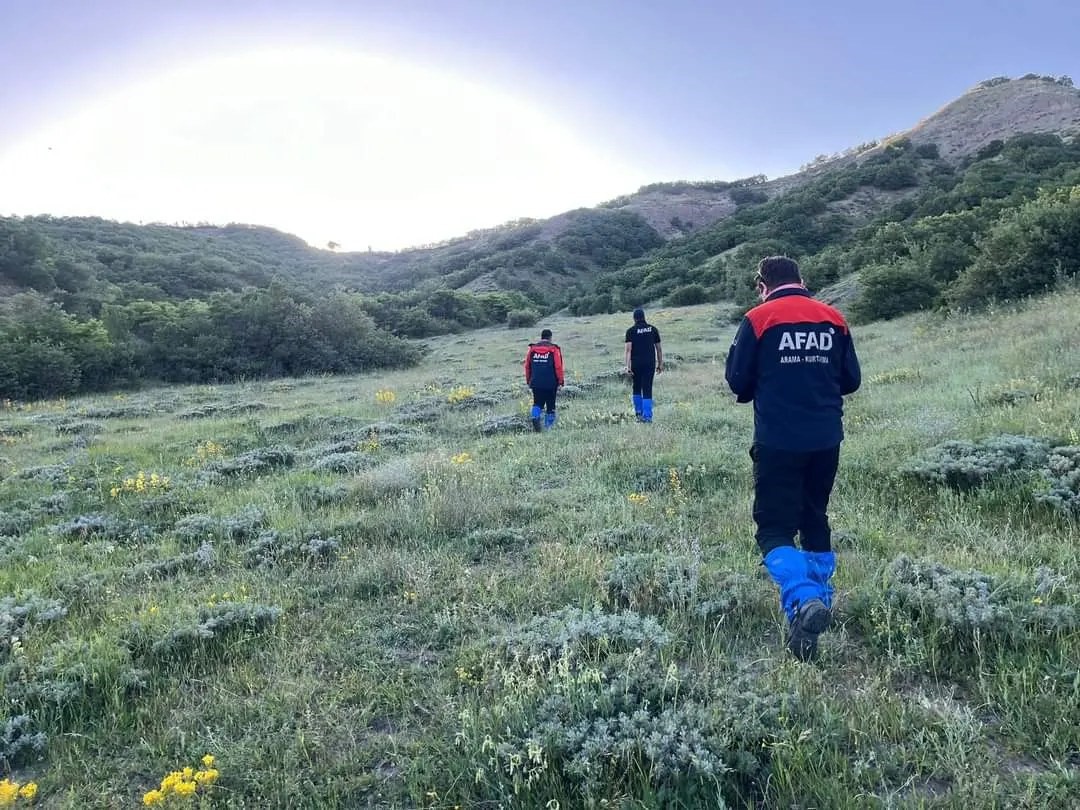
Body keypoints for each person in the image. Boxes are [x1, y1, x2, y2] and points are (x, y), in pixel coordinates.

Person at [725, 256, 861, 661]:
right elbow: (851, 380)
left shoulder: (758, 318)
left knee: (773, 529)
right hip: (825, 439)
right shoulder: (834, 318)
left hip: (778, 440)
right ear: (802, 280)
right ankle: (820, 602)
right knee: (815, 517)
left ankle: (802, 600)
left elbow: (737, 380)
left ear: (761, 284)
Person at [624, 308, 663, 422]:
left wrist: (627, 366)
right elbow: (659, 349)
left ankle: (638, 413)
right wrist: (660, 364)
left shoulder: (630, 331)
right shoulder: (653, 329)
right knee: (647, 388)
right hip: (649, 363)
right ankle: (647, 417)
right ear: (644, 317)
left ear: (634, 318)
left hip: (636, 363)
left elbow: (628, 350)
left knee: (636, 387)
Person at [524, 328, 564, 431]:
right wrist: (560, 381)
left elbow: (527, 366)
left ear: (541, 337)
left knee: (537, 403)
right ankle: (548, 427)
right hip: (551, 383)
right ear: (550, 338)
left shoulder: (532, 349)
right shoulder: (554, 349)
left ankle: (535, 417)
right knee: (550, 405)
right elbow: (558, 367)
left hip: (536, 382)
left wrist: (529, 381)